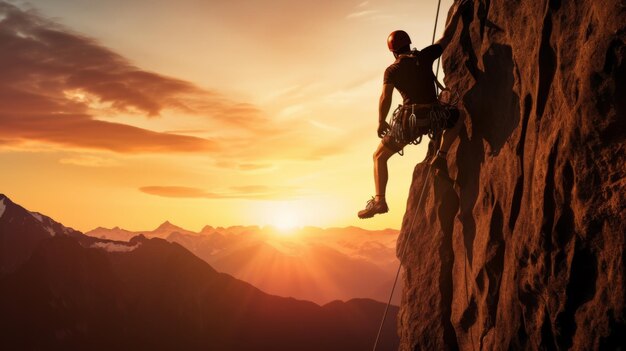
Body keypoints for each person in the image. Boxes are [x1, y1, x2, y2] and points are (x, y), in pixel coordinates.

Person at [358, 0, 470, 219]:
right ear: (409, 44)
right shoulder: (425, 56)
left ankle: (380, 201)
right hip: (434, 117)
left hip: (409, 123)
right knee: (458, 117)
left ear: (392, 51)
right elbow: (446, 38)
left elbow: (385, 97)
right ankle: (442, 155)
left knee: (379, 157)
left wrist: (381, 121)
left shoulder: (393, 70)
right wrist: (457, 12)